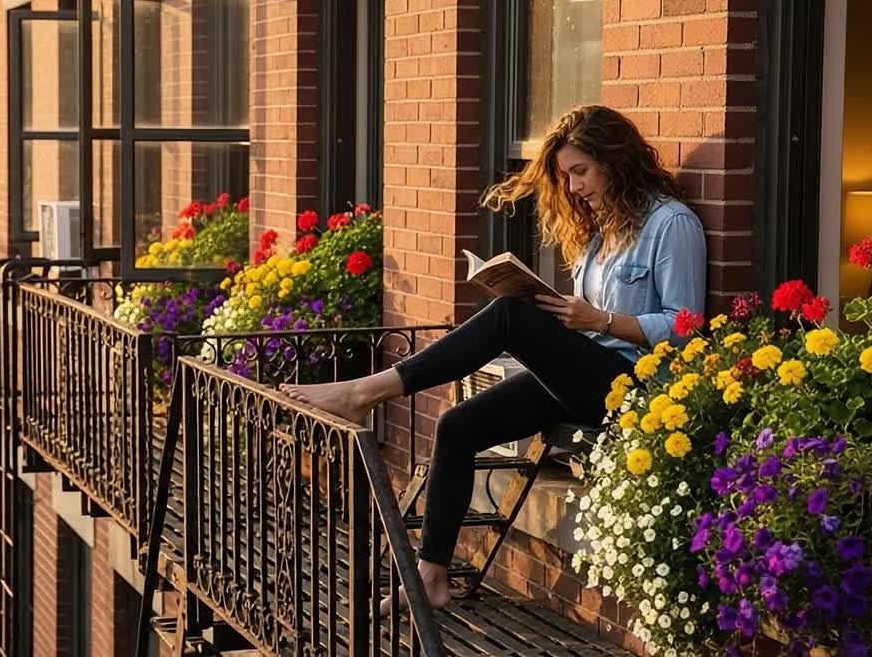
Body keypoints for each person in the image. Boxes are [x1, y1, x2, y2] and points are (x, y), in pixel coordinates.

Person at [280, 105, 706, 613]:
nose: (573, 188)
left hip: (636, 391)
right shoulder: (602, 233)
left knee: (507, 317)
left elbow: (686, 329)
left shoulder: (671, 225)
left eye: (580, 172)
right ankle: (432, 576)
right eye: (567, 176)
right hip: (588, 374)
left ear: (615, 160)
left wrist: (599, 321)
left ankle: (363, 392)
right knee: (458, 426)